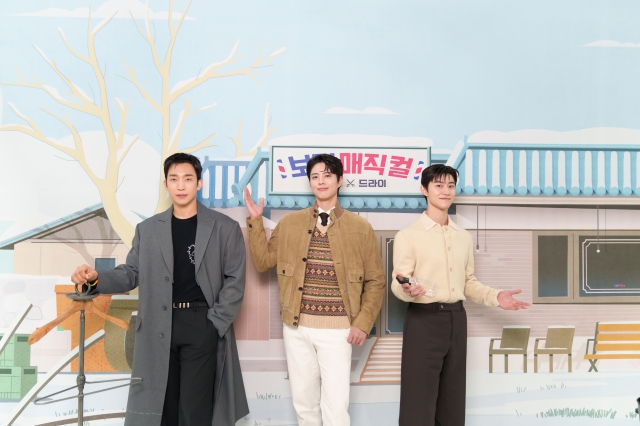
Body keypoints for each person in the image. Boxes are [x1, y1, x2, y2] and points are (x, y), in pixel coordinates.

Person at [71, 153, 248, 426]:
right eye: (174, 179)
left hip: (202, 324)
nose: (181, 185)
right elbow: (131, 273)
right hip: (157, 326)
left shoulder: (224, 228)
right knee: (162, 410)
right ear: (165, 184)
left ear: (199, 183)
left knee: (195, 412)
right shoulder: (148, 229)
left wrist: (215, 323)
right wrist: (95, 279)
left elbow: (235, 279)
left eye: (188, 179)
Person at [244, 153, 385, 426]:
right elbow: (263, 262)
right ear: (310, 182)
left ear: (340, 180)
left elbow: (376, 281)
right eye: (315, 176)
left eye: (327, 175)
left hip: (339, 331)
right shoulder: (290, 223)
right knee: (304, 405)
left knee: (336, 408)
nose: (321, 181)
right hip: (297, 328)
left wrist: (362, 323)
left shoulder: (360, 227)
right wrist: (255, 222)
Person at [392, 164, 530, 426]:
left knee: (452, 400)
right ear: (424, 189)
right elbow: (398, 281)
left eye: (450, 186)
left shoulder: (463, 237)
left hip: (456, 319)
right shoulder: (408, 236)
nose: (445, 191)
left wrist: (496, 296)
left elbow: (467, 283)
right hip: (423, 320)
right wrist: (407, 289)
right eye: (438, 185)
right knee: (417, 401)